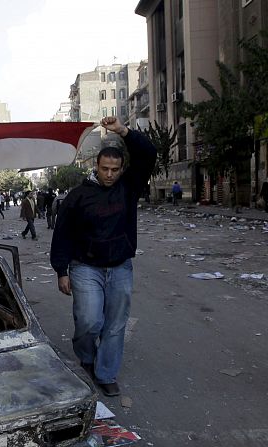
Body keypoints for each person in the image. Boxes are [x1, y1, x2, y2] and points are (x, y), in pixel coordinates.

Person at [50, 116, 157, 397]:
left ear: (122, 170)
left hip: (120, 267)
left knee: (115, 324)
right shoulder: (77, 197)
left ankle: (106, 373)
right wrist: (61, 271)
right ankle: (86, 355)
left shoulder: (129, 187)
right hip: (85, 268)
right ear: (96, 167)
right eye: (105, 169)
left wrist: (123, 131)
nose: (109, 174)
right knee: (89, 321)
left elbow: (148, 153)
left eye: (115, 170)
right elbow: (61, 234)